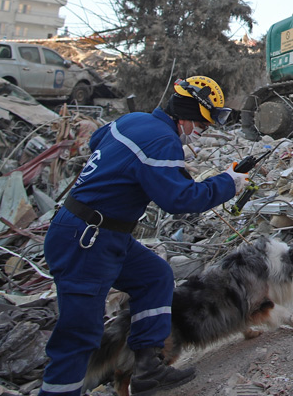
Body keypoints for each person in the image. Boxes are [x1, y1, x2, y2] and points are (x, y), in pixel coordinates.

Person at [38, 76, 248, 396]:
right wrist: (228, 183)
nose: (201, 132)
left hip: (98, 232)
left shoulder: (133, 120)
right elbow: (180, 200)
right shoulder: (163, 140)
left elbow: (97, 141)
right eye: (201, 124)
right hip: (87, 239)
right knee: (79, 333)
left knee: (154, 276)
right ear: (186, 115)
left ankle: (148, 368)